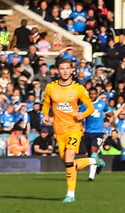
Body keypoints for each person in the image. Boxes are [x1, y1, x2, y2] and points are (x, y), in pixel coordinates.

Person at [41, 58, 101, 201]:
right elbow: (46, 104)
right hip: (58, 130)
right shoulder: (50, 87)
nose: (65, 71)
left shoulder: (78, 88)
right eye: (62, 69)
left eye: (67, 68)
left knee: (69, 158)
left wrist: (83, 114)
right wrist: (45, 115)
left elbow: (90, 106)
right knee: (69, 164)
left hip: (74, 128)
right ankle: (93, 161)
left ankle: (70, 194)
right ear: (57, 70)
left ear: (72, 70)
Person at [80, 87, 109, 178]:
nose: (92, 95)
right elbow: (80, 117)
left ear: (97, 94)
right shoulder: (85, 105)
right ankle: (99, 163)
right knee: (90, 155)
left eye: (94, 94)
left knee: (93, 153)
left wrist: (110, 117)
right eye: (91, 94)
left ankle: (91, 177)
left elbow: (109, 112)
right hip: (88, 132)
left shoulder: (102, 104)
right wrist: (81, 127)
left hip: (98, 132)